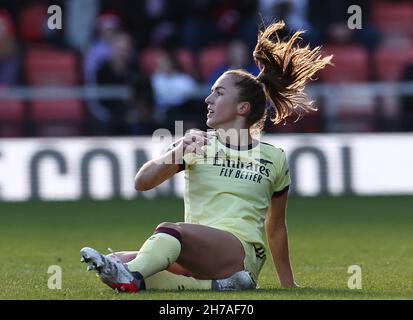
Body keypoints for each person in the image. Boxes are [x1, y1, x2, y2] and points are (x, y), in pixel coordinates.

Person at [80, 21, 332, 292]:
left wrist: (288, 284)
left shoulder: (274, 158)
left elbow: (276, 226)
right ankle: (218, 286)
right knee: (114, 261)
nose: (207, 100)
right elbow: (142, 183)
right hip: (193, 252)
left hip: (239, 252)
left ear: (242, 107)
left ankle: (133, 277)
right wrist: (177, 151)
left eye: (219, 93)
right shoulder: (195, 144)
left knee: (166, 233)